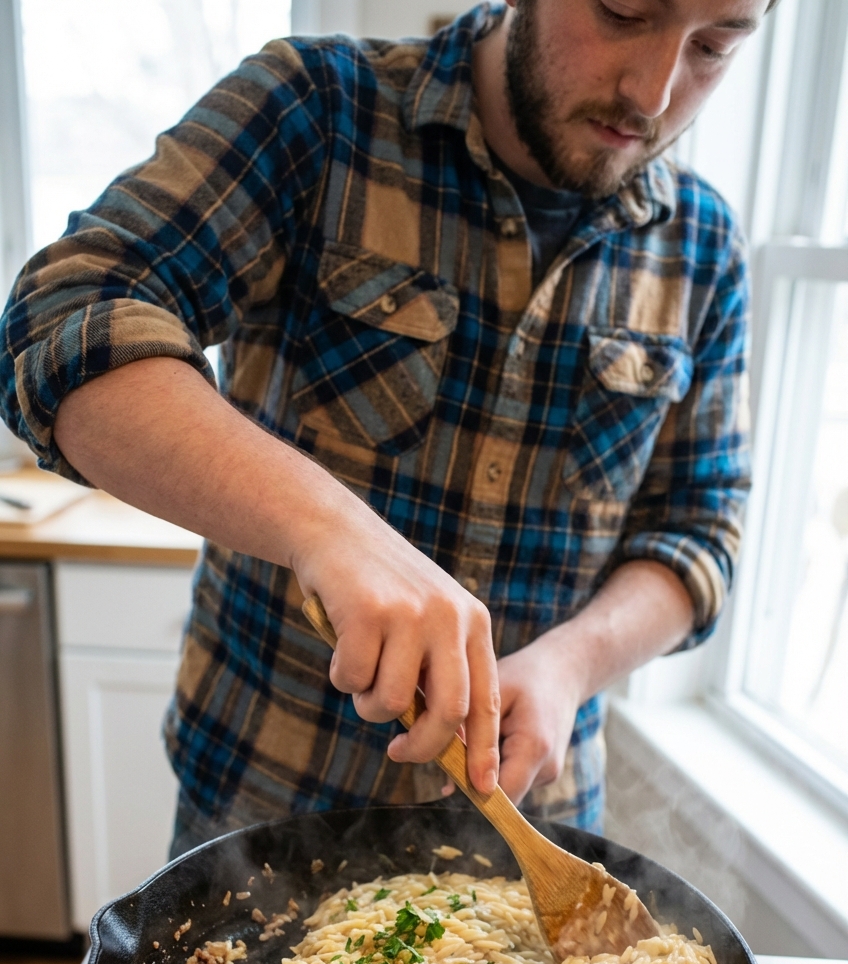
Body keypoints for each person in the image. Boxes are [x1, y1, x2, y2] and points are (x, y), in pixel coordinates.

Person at [0, 0, 772, 855]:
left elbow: (701, 528)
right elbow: (61, 321)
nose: (655, 92)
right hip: (263, 811)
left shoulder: (706, 248)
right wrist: (329, 531)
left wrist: (572, 665)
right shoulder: (318, 110)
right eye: (624, 11)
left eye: (713, 46)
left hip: (526, 835)